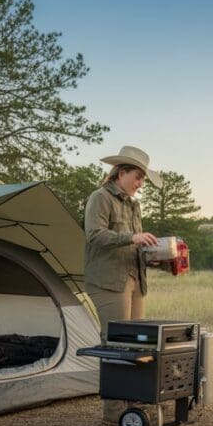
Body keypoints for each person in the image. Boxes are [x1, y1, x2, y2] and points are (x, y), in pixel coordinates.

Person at [83, 145, 161, 338]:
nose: (141, 183)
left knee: (137, 341)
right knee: (116, 342)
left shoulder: (135, 205)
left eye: (143, 178)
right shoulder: (100, 197)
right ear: (122, 172)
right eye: (138, 176)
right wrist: (132, 237)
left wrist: (151, 257)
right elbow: (94, 235)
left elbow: (135, 245)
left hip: (136, 282)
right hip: (109, 282)